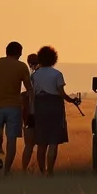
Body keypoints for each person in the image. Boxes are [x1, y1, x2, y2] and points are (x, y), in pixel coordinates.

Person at [0, 41, 33, 175]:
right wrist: (31, 108)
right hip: (14, 107)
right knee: (11, 140)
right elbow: (29, 89)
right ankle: (6, 171)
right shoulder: (22, 66)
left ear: (6, 51)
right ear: (20, 53)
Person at [30, 45, 78, 176]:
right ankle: (50, 171)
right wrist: (72, 100)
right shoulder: (57, 74)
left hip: (40, 107)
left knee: (41, 142)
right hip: (55, 106)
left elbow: (32, 94)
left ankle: (42, 171)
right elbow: (61, 93)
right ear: (54, 58)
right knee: (53, 141)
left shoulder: (35, 75)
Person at [21, 53, 40, 172]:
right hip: (42, 113)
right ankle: (42, 169)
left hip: (31, 114)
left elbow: (28, 95)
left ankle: (24, 169)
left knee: (28, 145)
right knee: (42, 145)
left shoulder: (32, 76)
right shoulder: (46, 74)